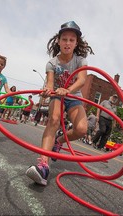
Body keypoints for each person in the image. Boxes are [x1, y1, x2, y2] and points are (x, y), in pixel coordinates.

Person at [26, 21, 94, 186]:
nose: (67, 43)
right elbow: (50, 83)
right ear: (58, 41)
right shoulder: (52, 63)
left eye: (72, 40)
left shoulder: (80, 60)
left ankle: (59, 141)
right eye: (64, 39)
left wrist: (68, 90)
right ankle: (43, 166)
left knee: (82, 129)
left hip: (74, 95)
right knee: (54, 119)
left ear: (76, 43)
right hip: (57, 96)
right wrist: (48, 90)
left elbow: (82, 80)